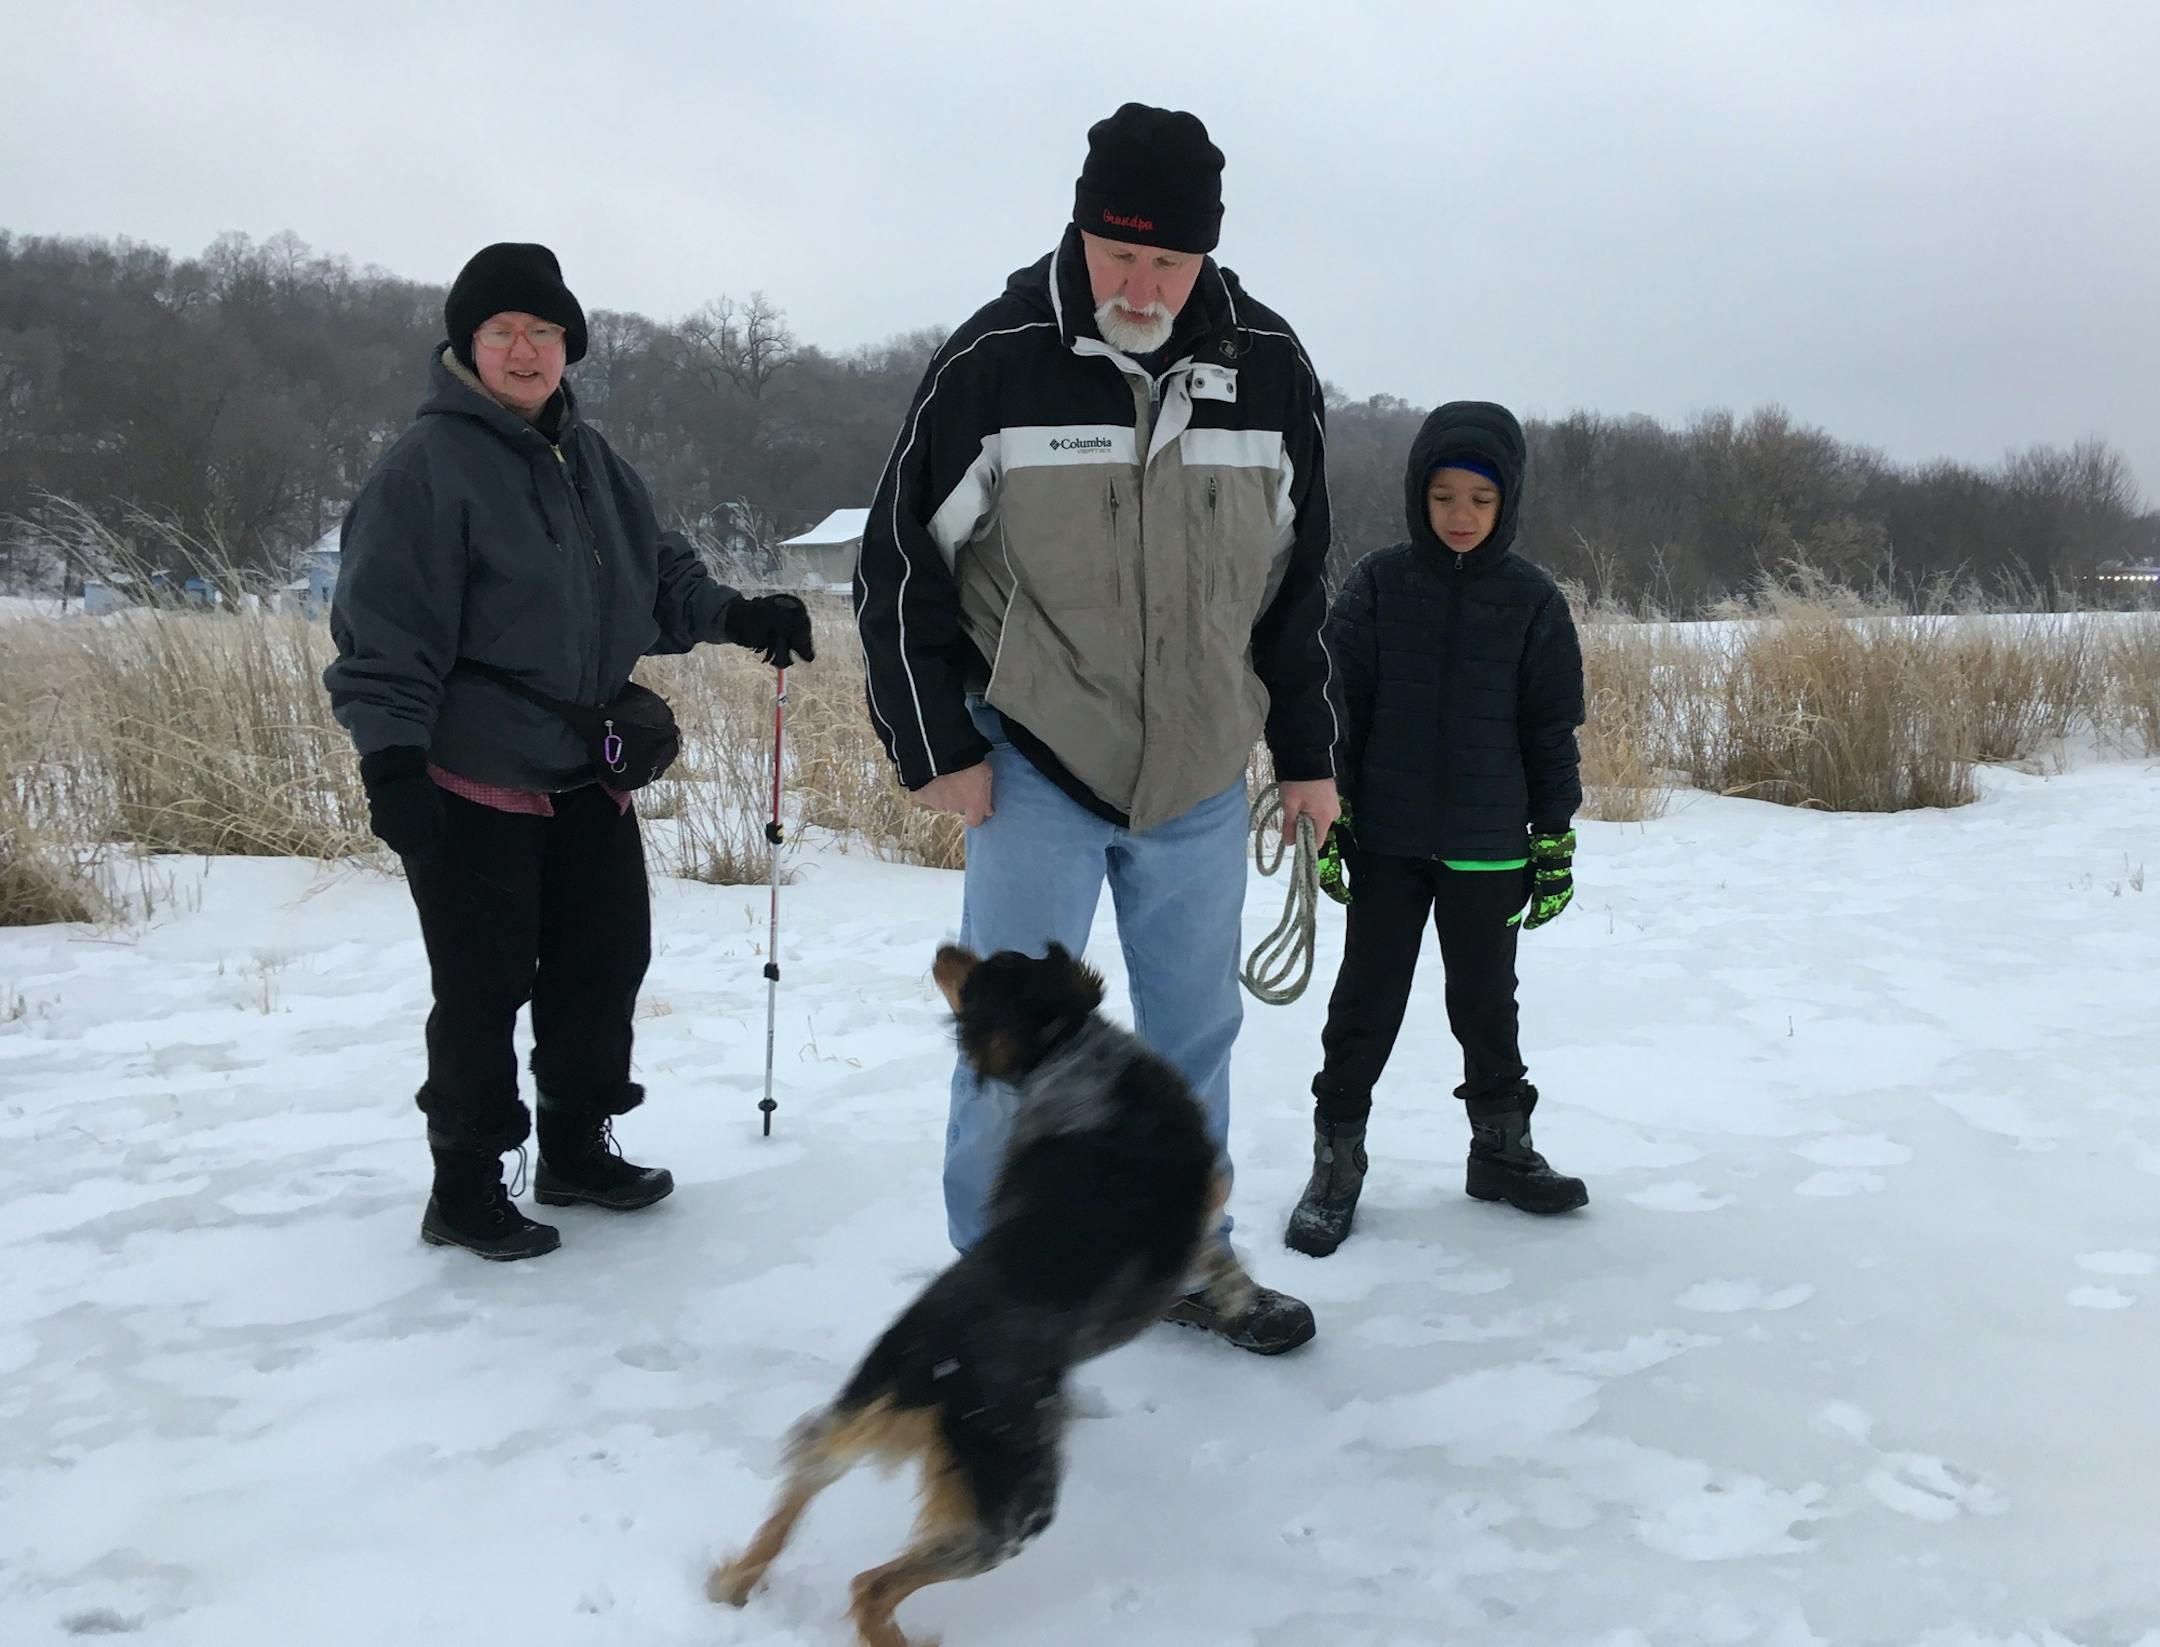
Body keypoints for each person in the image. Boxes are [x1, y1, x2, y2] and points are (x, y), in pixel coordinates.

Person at [854, 104, 1337, 1355]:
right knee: (1008, 1048)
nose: (1140, 285)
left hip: (1197, 774)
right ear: (1080, 228)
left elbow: (1294, 585)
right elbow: (897, 564)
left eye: (1166, 263)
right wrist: (937, 748)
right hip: (1031, 766)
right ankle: (996, 1291)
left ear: (1205, 257)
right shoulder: (997, 358)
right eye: (1118, 255)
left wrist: (1309, 754)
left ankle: (1190, 1260)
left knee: (1193, 1041)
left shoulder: (1271, 367)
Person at [324, 242, 815, 1262]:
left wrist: (738, 613)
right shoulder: (424, 471)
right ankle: (465, 1185)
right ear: (466, 343)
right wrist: (392, 764)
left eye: (543, 332)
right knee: (485, 984)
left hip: (587, 774)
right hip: (470, 778)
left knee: (603, 965)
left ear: (567, 349)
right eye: (502, 330)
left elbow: (662, 574)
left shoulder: (594, 463)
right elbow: (384, 633)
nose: (523, 349)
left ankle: (576, 1149)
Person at [1285, 401, 1587, 1259]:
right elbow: (1339, 709)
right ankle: (1336, 1164)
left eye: (1480, 501)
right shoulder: (1378, 586)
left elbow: (1549, 732)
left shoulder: (1533, 601)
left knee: (1487, 1004)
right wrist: (1334, 814)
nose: (1460, 515)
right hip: (1386, 840)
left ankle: (1500, 1151)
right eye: (1444, 495)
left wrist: (1553, 835)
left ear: (1507, 505)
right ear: (1418, 492)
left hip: (1489, 845)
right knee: (1364, 1003)